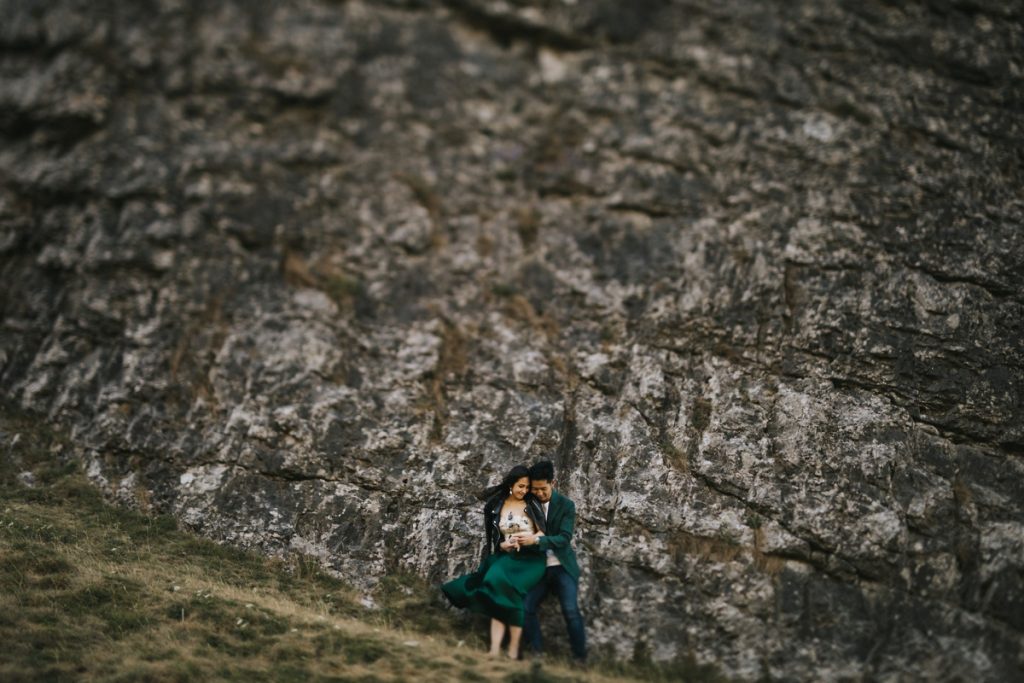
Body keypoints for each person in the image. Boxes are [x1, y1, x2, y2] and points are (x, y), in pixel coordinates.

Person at [441, 464, 547, 659]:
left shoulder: (532, 503)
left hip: (532, 559)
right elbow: (495, 540)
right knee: (496, 586)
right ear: (511, 484)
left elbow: (543, 531)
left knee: (510, 592)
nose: (524, 491)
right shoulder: (495, 507)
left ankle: (514, 649)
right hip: (508, 556)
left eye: (526, 487)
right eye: (520, 486)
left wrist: (530, 538)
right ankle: (495, 650)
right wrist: (503, 546)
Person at [515, 460, 587, 664]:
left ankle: (580, 658)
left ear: (552, 483)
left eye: (542, 489)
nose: (538, 493)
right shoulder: (527, 505)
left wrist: (537, 540)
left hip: (562, 567)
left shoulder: (566, 505)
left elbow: (564, 538)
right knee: (526, 607)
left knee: (571, 611)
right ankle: (537, 652)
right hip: (538, 569)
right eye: (534, 489)